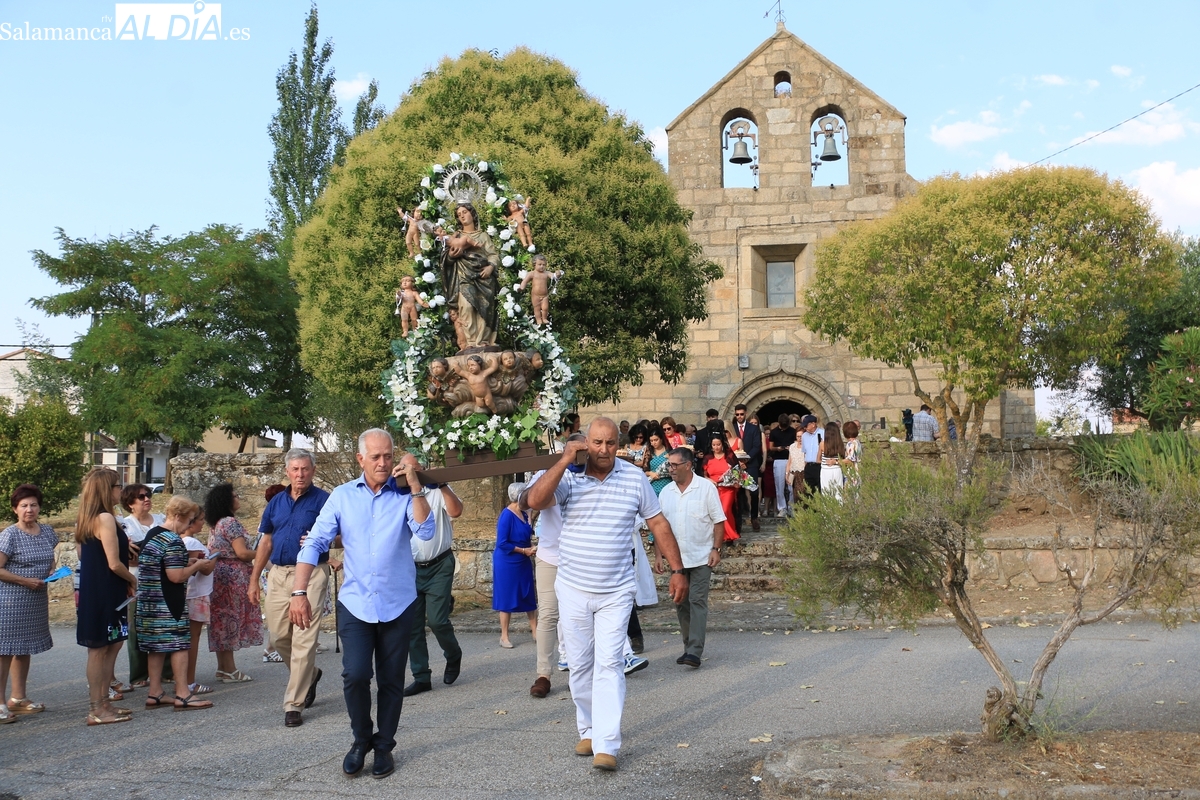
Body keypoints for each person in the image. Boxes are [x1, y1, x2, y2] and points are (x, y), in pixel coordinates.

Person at [524, 417, 688, 773]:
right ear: (586, 443)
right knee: (580, 665)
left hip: (616, 589)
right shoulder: (568, 476)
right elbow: (535, 500)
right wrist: (565, 459)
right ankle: (589, 728)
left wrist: (677, 570)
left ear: (619, 444)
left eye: (610, 443)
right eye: (596, 443)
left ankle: (608, 744)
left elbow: (657, 522)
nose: (602, 450)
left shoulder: (632, 478)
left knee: (610, 664)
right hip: (572, 587)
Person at [289, 429, 435, 780]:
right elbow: (315, 542)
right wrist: (299, 591)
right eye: (376, 457)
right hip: (355, 603)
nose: (384, 463)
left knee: (390, 681)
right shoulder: (341, 496)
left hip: (398, 603)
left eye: (388, 455)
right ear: (361, 460)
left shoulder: (404, 493)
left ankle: (384, 746)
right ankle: (360, 740)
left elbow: (426, 532)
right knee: (354, 675)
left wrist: (415, 486)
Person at [250, 450, 330, 727]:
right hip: (279, 574)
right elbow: (265, 543)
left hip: (311, 573)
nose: (300, 474)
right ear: (287, 471)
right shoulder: (276, 503)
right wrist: (253, 579)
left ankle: (293, 703)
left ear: (313, 470)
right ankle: (311, 674)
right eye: (295, 469)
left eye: (305, 469)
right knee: (279, 634)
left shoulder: (324, 501)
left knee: (304, 638)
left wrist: (323, 539)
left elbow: (344, 535)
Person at [137, 496, 215, 711]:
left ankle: (155, 692)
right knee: (180, 645)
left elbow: (161, 564)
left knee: (156, 647)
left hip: (149, 602)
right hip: (168, 601)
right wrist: (197, 565)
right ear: (178, 516)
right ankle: (183, 694)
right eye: (189, 520)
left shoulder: (153, 533)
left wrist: (186, 562)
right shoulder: (172, 540)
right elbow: (176, 576)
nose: (190, 525)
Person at [75, 468, 137, 725]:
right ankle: (96, 707)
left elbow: (84, 556)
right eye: (116, 486)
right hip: (105, 590)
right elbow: (114, 563)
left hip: (100, 588)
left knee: (110, 645)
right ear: (105, 489)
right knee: (99, 649)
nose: (120, 491)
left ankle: (104, 702)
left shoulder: (89, 518)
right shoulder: (104, 518)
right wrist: (132, 578)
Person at [399, 453, 464, 698]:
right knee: (412, 626)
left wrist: (443, 483)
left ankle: (453, 654)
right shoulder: (400, 496)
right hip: (410, 568)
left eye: (414, 470)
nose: (410, 475)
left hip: (439, 565)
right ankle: (421, 677)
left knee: (437, 620)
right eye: (405, 470)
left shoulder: (437, 491)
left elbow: (456, 511)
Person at [657, 448, 724, 669]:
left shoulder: (705, 488)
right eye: (669, 465)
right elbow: (660, 527)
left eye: (675, 465)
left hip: (701, 555)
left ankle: (695, 650)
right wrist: (659, 554)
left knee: (697, 600)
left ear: (688, 465)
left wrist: (716, 548)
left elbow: (718, 521)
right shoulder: (666, 492)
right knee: (681, 603)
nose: (670, 469)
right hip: (677, 560)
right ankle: (688, 647)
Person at [0, 484, 57, 722]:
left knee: (24, 648)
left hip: (35, 599)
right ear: (15, 509)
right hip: (11, 601)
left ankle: (19, 698)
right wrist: (25, 581)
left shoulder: (46, 531)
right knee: (4, 651)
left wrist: (52, 571)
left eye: (33, 504)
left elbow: (51, 556)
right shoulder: (9, 535)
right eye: (23, 505)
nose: (29, 509)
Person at [204, 483, 263, 684]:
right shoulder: (230, 523)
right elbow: (242, 553)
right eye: (235, 496)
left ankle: (223, 668)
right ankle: (230, 669)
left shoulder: (217, 523)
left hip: (218, 576)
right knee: (231, 620)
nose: (238, 498)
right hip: (232, 577)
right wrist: (264, 553)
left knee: (221, 621)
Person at [117, 483, 165, 689]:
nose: (147, 499)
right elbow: (128, 558)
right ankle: (138, 674)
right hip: (137, 581)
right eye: (141, 497)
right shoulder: (124, 525)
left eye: (148, 495)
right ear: (130, 503)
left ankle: (167, 672)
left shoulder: (162, 520)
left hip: (163, 580)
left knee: (164, 625)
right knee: (137, 628)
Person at [439, 202, 500, 350]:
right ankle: (470, 343)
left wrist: (491, 267)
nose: (462, 216)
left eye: (465, 212)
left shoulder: (483, 236)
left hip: (483, 277)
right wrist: (451, 256)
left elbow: (493, 255)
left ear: (472, 214)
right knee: (466, 307)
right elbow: (445, 258)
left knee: (484, 307)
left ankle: (484, 341)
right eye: (459, 215)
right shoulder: (456, 236)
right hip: (464, 275)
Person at [492, 482, 538, 649]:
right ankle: (504, 636)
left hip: (523, 560)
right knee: (507, 596)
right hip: (507, 560)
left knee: (528, 593)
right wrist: (524, 551)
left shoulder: (525, 513)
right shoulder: (507, 515)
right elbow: (502, 543)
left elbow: (527, 532)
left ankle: (535, 631)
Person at [180, 510, 216, 696]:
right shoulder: (192, 542)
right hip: (197, 594)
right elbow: (205, 570)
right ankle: (189, 680)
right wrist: (214, 556)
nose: (203, 523)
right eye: (201, 520)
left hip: (190, 593)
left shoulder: (180, 541)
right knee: (192, 638)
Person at [699, 434, 740, 544]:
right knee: (715, 512)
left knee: (725, 510)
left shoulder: (729, 456)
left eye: (718, 444)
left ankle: (729, 535)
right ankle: (719, 535)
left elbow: (737, 472)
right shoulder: (708, 458)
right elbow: (703, 475)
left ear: (723, 444)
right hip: (713, 489)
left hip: (728, 489)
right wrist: (710, 480)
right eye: (714, 445)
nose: (716, 447)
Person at [732, 404, 764, 532]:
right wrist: (738, 461)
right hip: (736, 465)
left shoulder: (753, 428)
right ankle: (738, 520)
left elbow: (757, 446)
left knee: (754, 491)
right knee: (738, 492)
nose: (739, 416)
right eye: (737, 414)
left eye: (741, 414)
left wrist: (746, 459)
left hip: (751, 464)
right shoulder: (732, 429)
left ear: (746, 414)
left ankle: (754, 517)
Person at [789, 415, 823, 502]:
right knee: (808, 491)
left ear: (813, 424)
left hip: (820, 465)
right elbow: (804, 452)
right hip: (808, 467)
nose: (804, 427)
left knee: (819, 490)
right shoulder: (804, 436)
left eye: (806, 425)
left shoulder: (823, 433)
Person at [767, 414, 796, 516]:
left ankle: (792, 507)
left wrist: (790, 448)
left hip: (791, 460)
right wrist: (778, 448)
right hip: (779, 460)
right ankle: (782, 508)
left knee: (791, 485)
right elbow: (771, 447)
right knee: (779, 485)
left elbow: (796, 444)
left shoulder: (793, 431)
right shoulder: (774, 432)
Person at [820, 422, 846, 501]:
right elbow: (843, 457)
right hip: (837, 469)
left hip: (825, 470)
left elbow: (818, 458)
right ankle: (838, 512)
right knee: (838, 493)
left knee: (826, 493)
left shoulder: (822, 444)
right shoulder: (840, 444)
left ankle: (827, 512)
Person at [643, 427, 672, 497]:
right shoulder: (649, 452)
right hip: (652, 485)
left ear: (661, 439)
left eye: (656, 440)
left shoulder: (669, 452)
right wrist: (650, 473)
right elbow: (644, 470)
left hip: (667, 485)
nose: (654, 443)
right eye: (651, 441)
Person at [842, 420, 862, 489]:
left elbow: (850, 460)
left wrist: (836, 461)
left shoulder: (851, 444)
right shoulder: (857, 442)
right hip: (857, 471)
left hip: (852, 474)